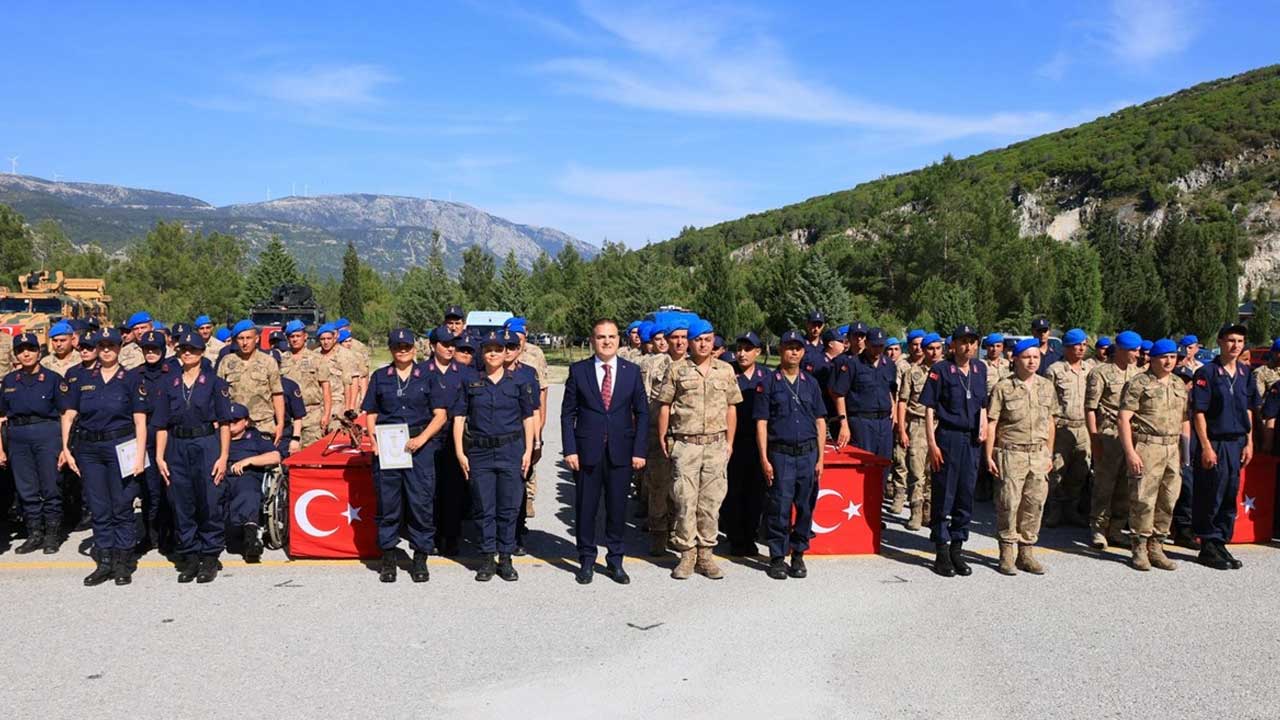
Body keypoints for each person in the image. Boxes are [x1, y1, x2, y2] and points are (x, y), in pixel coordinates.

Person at [561, 319, 648, 585]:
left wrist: (639, 450)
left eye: (611, 336)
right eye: (601, 337)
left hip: (621, 453)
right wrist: (570, 449)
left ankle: (615, 561)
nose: (607, 341)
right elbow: (567, 414)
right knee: (586, 509)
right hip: (587, 453)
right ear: (592, 340)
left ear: (619, 340)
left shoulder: (632, 372)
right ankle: (586, 560)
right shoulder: (579, 371)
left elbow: (642, 413)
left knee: (617, 509)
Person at [59, 328, 148, 586]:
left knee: (122, 505)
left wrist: (140, 456)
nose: (107, 350)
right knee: (99, 507)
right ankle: (105, 561)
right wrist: (66, 448)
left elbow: (140, 421)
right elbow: (69, 415)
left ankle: (123, 561)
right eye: (102, 345)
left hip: (121, 446)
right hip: (89, 450)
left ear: (120, 348)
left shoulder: (130, 378)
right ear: (96, 348)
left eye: (112, 345)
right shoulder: (83, 378)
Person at [655, 318, 742, 580]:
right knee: (684, 501)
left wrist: (729, 443)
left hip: (715, 445)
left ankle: (706, 554)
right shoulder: (677, 370)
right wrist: (663, 437)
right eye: (697, 340)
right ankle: (686, 554)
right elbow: (664, 405)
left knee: (711, 503)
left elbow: (731, 407)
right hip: (686, 445)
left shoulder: (725, 370)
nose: (703, 344)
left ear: (713, 341)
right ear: (690, 343)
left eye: (707, 339)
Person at [364, 329, 450, 583]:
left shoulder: (428, 376)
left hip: (419, 445)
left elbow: (441, 415)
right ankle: (388, 557)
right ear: (391, 349)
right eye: (397, 346)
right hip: (389, 445)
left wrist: (422, 439)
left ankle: (420, 557)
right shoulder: (381, 377)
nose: (402, 350)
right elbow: (371, 411)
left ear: (414, 349)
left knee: (420, 503)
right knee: (388, 503)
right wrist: (373, 439)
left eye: (406, 346)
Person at [452, 330, 537, 582]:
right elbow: (459, 417)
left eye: (498, 349)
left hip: (511, 450)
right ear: (482, 352)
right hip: (479, 452)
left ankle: (506, 558)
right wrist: (459, 452)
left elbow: (528, 417)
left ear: (505, 352)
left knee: (509, 508)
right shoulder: (470, 381)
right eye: (488, 349)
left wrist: (529, 450)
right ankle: (487, 558)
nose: (493, 353)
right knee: (483, 507)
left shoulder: (518, 381)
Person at [151, 331, 232, 583]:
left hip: (206, 443)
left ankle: (209, 556)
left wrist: (223, 457)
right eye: (183, 349)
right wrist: (159, 457)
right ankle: (190, 555)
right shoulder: (169, 383)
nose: (187, 353)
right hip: (177, 444)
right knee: (181, 502)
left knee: (208, 499)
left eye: (193, 349)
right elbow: (161, 424)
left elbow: (225, 423)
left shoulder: (214, 382)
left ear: (201, 353)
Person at [755, 330, 826, 580]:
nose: (793, 352)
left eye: (798, 347)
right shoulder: (769, 382)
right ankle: (777, 556)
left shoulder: (811, 383)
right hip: (781, 455)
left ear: (803, 352)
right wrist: (764, 458)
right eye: (788, 347)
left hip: (807, 455)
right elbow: (761, 423)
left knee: (805, 507)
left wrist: (821, 459)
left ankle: (798, 554)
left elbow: (820, 421)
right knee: (779, 507)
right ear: (780, 350)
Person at [920, 325, 988, 577]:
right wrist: (932, 443)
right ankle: (941, 550)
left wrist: (984, 427)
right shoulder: (941, 370)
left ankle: (958, 548)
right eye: (963, 342)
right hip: (948, 437)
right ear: (953, 345)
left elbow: (982, 403)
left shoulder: (980, 369)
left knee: (965, 494)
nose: (968, 346)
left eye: (972, 341)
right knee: (944, 494)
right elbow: (929, 408)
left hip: (971, 440)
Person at [984, 338, 1055, 575]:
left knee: (1034, 505)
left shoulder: (1046, 386)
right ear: (1015, 359)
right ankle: (1006, 553)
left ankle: (1027, 552)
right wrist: (989, 455)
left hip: (1037, 454)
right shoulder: (1003, 388)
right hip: (1011, 453)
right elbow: (992, 423)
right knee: (1009, 504)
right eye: (1027, 357)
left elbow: (1051, 422)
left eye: (1035, 357)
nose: (1032, 361)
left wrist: (1049, 453)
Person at [216, 319, 284, 561]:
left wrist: (280, 423)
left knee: (254, 478)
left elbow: (277, 393)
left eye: (248, 338)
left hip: (261, 424)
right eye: (240, 338)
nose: (244, 342)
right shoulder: (227, 362)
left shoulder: (268, 362)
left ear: (257, 338)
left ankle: (251, 526)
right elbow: (219, 395)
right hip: (231, 426)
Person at [1189, 323, 1255, 571]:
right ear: (1220, 342)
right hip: (1215, 441)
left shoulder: (1245, 372)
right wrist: (1205, 446)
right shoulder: (1207, 373)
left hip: (1237, 441)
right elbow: (1199, 412)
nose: (1235, 345)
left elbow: (1248, 408)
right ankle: (1207, 543)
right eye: (1230, 340)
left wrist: (1249, 441)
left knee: (1230, 492)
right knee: (1211, 492)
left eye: (1239, 341)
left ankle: (1220, 540)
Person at [1117, 338, 1187, 572]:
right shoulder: (1139, 383)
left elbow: (1184, 419)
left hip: (1172, 448)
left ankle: (1157, 546)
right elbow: (1124, 418)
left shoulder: (1178, 383)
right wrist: (1130, 452)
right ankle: (1139, 546)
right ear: (1153, 359)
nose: (1169, 362)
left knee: (1168, 499)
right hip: (1148, 447)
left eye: (1173, 357)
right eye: (1164, 357)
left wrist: (1185, 451)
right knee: (1143, 499)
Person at [1, 333, 66, 554]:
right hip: (18, 435)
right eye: (21, 350)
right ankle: (34, 533)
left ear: (39, 352)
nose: (26, 354)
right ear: (16, 354)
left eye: (30, 349)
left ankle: (52, 535)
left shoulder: (53, 379)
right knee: (26, 489)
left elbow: (66, 413)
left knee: (50, 486)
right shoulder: (10, 380)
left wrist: (65, 447)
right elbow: (2, 414)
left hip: (46, 433)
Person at [1085, 330, 1143, 549]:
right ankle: (1098, 528)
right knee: (1104, 484)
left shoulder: (1139, 374)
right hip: (1108, 435)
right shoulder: (1100, 373)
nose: (1137, 355)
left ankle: (1117, 529)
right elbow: (1090, 408)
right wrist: (1095, 440)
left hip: (1132, 436)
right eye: (1133, 350)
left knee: (1126, 485)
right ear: (1119, 350)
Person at [723, 331, 768, 556]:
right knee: (734, 490)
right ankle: (735, 537)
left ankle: (750, 535)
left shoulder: (766, 376)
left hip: (758, 442)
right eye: (739, 348)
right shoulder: (727, 372)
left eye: (747, 349)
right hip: (733, 441)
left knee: (756, 492)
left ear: (757, 352)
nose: (741, 353)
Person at [1043, 328, 1094, 528]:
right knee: (1057, 469)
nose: (1080, 348)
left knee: (1080, 470)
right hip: (1062, 426)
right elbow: (1047, 401)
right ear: (1066, 347)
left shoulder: (1090, 370)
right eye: (1076, 345)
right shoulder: (1054, 370)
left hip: (1084, 428)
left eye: (1083, 344)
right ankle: (1055, 509)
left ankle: (1072, 509)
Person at [425, 327, 468, 557]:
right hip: (428, 438)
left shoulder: (464, 373)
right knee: (428, 490)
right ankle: (429, 536)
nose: (450, 348)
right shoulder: (421, 371)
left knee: (453, 491)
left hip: (454, 438)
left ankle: (451, 537)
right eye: (445, 344)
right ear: (433, 346)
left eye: (453, 344)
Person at [830, 327, 896, 470]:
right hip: (862, 423)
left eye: (881, 346)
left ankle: (880, 493)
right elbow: (839, 394)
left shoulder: (888, 364)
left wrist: (894, 409)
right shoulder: (853, 364)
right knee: (863, 466)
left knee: (884, 464)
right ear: (866, 343)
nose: (878, 350)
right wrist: (844, 424)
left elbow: (891, 389)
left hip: (884, 423)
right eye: (874, 346)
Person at [504, 317, 549, 524]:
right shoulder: (498, 355)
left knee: (527, 464)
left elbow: (542, 391)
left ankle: (528, 499)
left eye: (520, 339)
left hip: (529, 418)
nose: (516, 345)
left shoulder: (534, 355)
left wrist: (540, 427)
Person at [897, 333, 944, 530]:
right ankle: (916, 510)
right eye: (930, 348)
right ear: (923, 350)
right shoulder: (912, 373)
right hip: (917, 424)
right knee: (917, 472)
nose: (934, 352)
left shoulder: (947, 371)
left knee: (935, 471)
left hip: (940, 425)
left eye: (937, 348)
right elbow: (902, 401)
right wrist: (902, 429)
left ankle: (929, 511)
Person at [224, 403, 281, 563]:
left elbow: (275, 457)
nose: (231, 424)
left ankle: (251, 538)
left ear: (246, 422)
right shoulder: (217, 437)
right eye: (228, 421)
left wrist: (249, 460)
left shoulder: (256, 437)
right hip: (223, 475)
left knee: (247, 492)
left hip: (247, 476)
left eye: (236, 420)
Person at [133, 330, 173, 554]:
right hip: (144, 435)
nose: (150, 353)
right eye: (146, 349)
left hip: (168, 436)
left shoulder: (173, 372)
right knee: (148, 490)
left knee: (169, 488)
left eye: (155, 349)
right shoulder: (133, 375)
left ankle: (169, 534)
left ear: (162, 350)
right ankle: (149, 535)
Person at [280, 319, 332, 448]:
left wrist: (326, 414)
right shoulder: (281, 360)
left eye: (298, 336)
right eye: (292, 336)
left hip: (312, 415)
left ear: (305, 337)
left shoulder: (317, 359)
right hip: (289, 416)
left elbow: (326, 388)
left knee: (312, 456)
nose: (295, 339)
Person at [1170, 365, 1198, 547]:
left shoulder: (1196, 400)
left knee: (1188, 490)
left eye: (1187, 381)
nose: (1184, 384)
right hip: (1170, 447)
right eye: (1180, 380)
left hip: (1190, 450)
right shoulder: (1170, 398)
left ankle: (1184, 530)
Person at [317, 323, 361, 422]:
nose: (326, 342)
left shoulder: (346, 355)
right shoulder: (315, 355)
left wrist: (350, 407)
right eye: (323, 339)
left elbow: (352, 383)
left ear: (334, 338)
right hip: (318, 404)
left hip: (338, 403)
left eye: (328, 339)